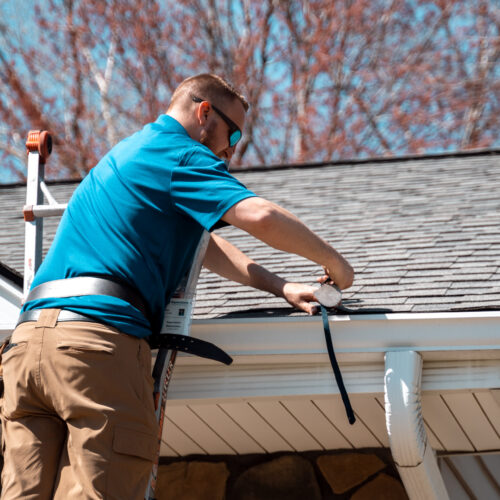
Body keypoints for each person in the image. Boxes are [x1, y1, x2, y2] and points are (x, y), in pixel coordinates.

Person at [1, 74, 353, 499]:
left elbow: (204, 245)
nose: (230, 151)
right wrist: (334, 262)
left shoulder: (127, 154)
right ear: (204, 113)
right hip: (94, 347)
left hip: (26, 348)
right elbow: (259, 215)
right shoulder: (180, 155)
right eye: (233, 133)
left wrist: (279, 287)